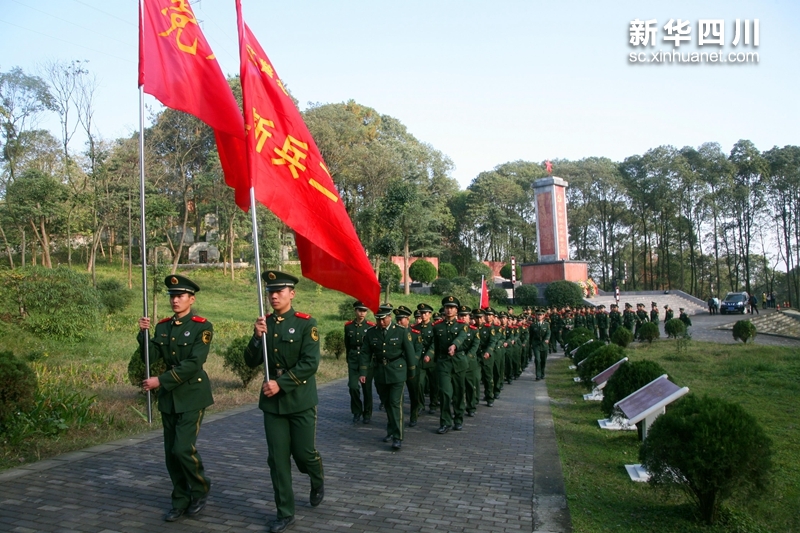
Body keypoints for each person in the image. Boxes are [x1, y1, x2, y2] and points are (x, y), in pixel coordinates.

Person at [244, 271, 324, 533]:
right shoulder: (264, 323)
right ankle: (285, 512)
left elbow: (310, 363)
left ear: (292, 293)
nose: (274, 296)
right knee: (277, 460)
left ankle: (316, 476)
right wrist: (257, 337)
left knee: (303, 454)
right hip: (273, 405)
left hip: (299, 400)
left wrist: (282, 383)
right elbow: (250, 360)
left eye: (280, 291)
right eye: (270, 292)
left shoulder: (305, 324)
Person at [138, 274, 214, 522]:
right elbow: (150, 357)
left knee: (183, 449)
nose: (175, 300)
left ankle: (200, 487)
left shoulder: (202, 326)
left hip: (192, 395)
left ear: (191, 299)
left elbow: (194, 363)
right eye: (172, 296)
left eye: (180, 296)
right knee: (171, 454)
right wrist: (143, 335)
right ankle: (180, 500)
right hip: (170, 398)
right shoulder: (162, 326)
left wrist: (160, 380)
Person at [361, 304, 416, 450]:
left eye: (383, 319)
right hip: (380, 372)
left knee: (395, 403)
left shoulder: (401, 332)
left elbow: (410, 353)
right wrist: (363, 372)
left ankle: (398, 437)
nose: (381, 322)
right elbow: (365, 352)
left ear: (389, 317)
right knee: (386, 403)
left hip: (397, 371)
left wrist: (411, 372)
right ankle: (391, 429)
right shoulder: (371, 332)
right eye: (378, 319)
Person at [422, 296, 468, 434]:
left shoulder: (462, 326)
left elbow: (461, 338)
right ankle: (445, 422)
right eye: (447, 307)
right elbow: (434, 344)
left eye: (452, 307)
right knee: (445, 393)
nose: (449, 310)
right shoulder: (437, 327)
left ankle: (458, 419)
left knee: (459, 394)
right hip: (443, 364)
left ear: (456, 310)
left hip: (459, 363)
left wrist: (454, 345)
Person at [344, 301, 374, 424]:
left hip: (366, 361)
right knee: (353, 387)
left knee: (366, 389)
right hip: (353, 360)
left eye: (364, 311)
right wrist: (348, 358)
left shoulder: (370, 327)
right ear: (355, 311)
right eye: (360, 310)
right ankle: (356, 411)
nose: (362, 313)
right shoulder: (348, 326)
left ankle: (367, 413)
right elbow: (347, 343)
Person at [530, 308, 551, 381]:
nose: (539, 316)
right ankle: (538, 375)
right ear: (536, 316)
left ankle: (542, 373)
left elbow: (548, 333)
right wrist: (530, 344)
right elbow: (531, 335)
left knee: (543, 360)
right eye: (538, 315)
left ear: (543, 316)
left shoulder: (546, 324)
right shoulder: (533, 325)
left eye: (541, 315)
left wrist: (547, 339)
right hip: (536, 344)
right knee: (537, 360)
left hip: (544, 345)